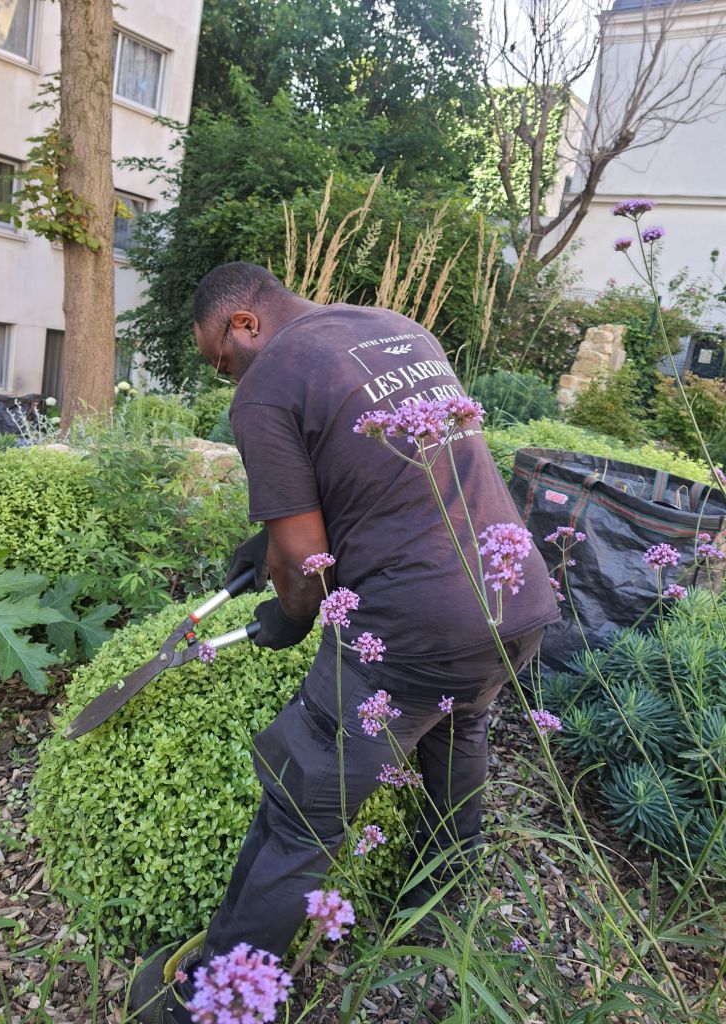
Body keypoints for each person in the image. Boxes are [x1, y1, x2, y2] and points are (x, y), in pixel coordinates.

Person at [130, 262, 560, 1022]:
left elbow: (302, 562)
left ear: (244, 324)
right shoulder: (396, 329)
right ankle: (435, 929)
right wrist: (259, 541)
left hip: (413, 628)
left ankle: (211, 999)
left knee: (301, 806)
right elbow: (378, 480)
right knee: (457, 738)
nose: (227, 378)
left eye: (220, 361)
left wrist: (289, 617)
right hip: (514, 596)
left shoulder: (266, 384)